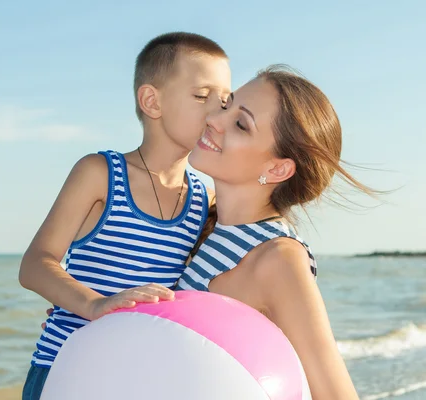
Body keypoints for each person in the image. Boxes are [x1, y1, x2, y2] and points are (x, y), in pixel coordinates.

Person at [18, 32, 231, 400]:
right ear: (152, 101)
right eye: (201, 96)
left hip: (140, 381)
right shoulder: (100, 173)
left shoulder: (204, 200)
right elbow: (35, 264)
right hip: (67, 370)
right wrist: (93, 304)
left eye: (226, 101)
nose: (218, 112)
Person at [176, 65, 366, 400]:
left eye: (240, 124)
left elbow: (336, 393)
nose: (214, 120)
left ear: (277, 168)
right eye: (225, 105)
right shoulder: (197, 218)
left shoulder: (280, 259)